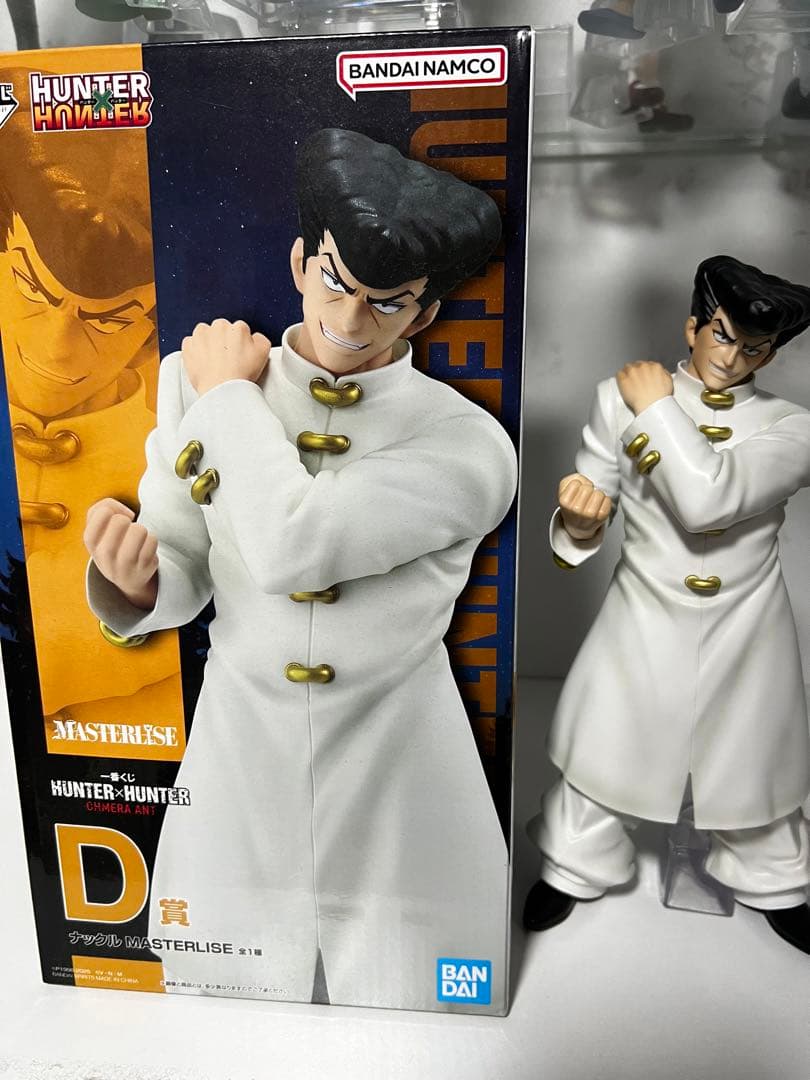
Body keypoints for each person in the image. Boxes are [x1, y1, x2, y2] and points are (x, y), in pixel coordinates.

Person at [84, 128, 518, 1010]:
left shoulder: (469, 446)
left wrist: (230, 399)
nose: (350, 321)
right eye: (335, 281)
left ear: (424, 314)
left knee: (415, 1012)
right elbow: (187, 562)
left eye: (387, 302)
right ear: (299, 263)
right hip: (240, 756)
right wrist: (137, 583)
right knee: (220, 1010)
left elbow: (294, 546)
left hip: (399, 765)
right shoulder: (190, 385)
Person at [524, 255, 810, 955]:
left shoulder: (793, 426)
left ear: (771, 354)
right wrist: (581, 521)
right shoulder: (614, 399)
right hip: (643, 611)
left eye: (753, 348)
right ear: (692, 328)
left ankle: (775, 880)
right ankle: (573, 865)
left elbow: (710, 498)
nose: (731, 358)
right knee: (605, 754)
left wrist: (655, 408)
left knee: (752, 765)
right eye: (722, 335)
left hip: (748, 622)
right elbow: (591, 499)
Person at [0, 66, 183, 746]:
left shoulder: (177, 449)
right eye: (30, 286)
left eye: (109, 321)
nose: (57, 347)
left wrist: (129, 600)